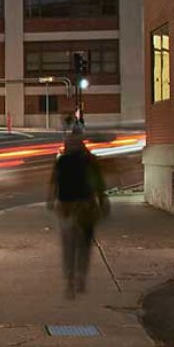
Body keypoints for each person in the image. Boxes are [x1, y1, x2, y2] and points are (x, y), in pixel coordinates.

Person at [48, 127, 108, 297]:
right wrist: (102, 200)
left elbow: (54, 181)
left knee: (69, 245)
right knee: (84, 245)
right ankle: (80, 276)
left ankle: (70, 281)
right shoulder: (90, 160)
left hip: (66, 207)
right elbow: (98, 182)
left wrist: (50, 199)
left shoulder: (61, 161)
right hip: (85, 207)